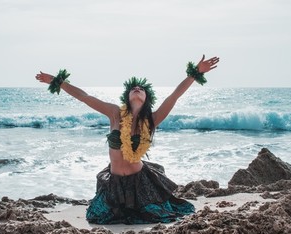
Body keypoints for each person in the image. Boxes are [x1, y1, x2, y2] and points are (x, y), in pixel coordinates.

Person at [35, 55, 220, 224]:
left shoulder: (152, 120)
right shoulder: (115, 114)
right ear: (128, 96)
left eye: (141, 89)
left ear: (147, 98)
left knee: (155, 215)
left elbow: (175, 96)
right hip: (114, 183)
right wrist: (56, 81)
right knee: (96, 216)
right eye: (133, 88)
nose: (137, 89)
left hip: (141, 182)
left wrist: (195, 73)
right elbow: (85, 97)